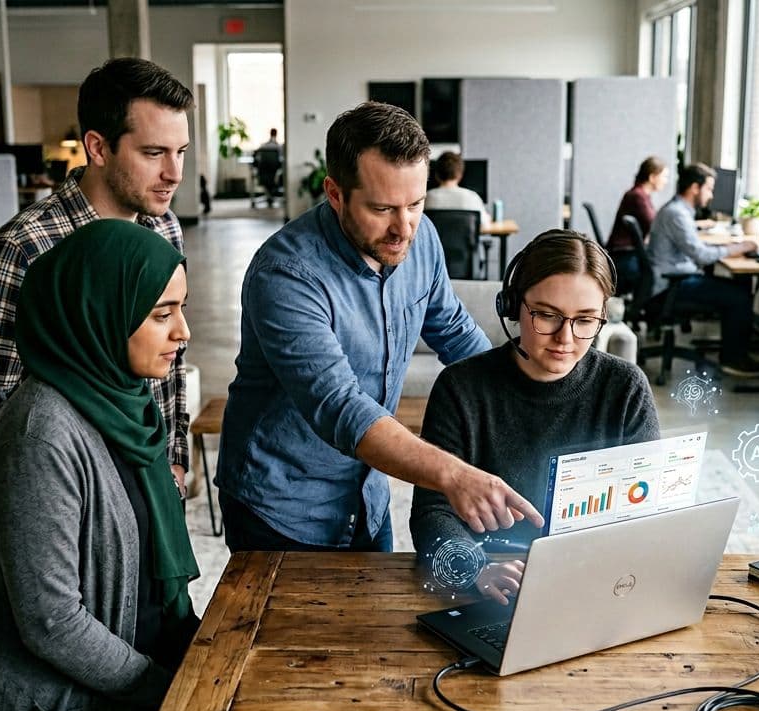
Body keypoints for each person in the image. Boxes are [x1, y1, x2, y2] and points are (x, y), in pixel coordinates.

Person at [216, 102, 543, 553]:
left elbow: (453, 330)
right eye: (382, 208)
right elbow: (340, 406)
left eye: (415, 204)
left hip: (366, 495)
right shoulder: (285, 275)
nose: (403, 228)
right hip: (281, 504)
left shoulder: (421, 239)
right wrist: (452, 474)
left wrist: (524, 403)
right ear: (335, 194)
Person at [0, 220, 199, 711]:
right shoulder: (38, 437)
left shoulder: (126, 404)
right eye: (161, 315)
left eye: (180, 310)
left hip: (133, 686)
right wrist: (165, 687)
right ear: (100, 313)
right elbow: (52, 622)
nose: (182, 332)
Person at [0, 58, 194, 488]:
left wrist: (173, 459)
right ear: (98, 148)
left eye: (181, 152)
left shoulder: (164, 227)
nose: (174, 174)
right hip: (74, 492)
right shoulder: (22, 249)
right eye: (154, 153)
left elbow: (170, 361)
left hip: (150, 475)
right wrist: (40, 503)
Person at [410, 230, 660, 603]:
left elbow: (649, 511)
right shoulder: (461, 387)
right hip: (491, 587)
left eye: (585, 320)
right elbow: (432, 513)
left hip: (596, 583)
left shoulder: (626, 387)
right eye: (547, 315)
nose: (565, 338)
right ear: (513, 306)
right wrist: (475, 568)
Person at [647, 162, 759, 378]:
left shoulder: (678, 210)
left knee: (738, 287)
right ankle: (733, 359)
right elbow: (701, 255)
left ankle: (733, 351)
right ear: (695, 188)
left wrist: (727, 247)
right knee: (738, 297)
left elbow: (695, 247)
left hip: (673, 279)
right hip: (672, 285)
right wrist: (740, 247)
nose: (711, 195)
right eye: (709, 189)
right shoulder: (677, 214)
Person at [606, 155, 667, 252]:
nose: (665, 181)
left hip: (626, 250)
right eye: (664, 177)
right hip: (625, 253)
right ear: (652, 177)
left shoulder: (639, 194)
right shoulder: (638, 196)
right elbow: (655, 226)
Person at [424, 150, 492, 226]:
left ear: (437, 175)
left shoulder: (426, 198)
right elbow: (485, 224)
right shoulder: (472, 197)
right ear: (460, 176)